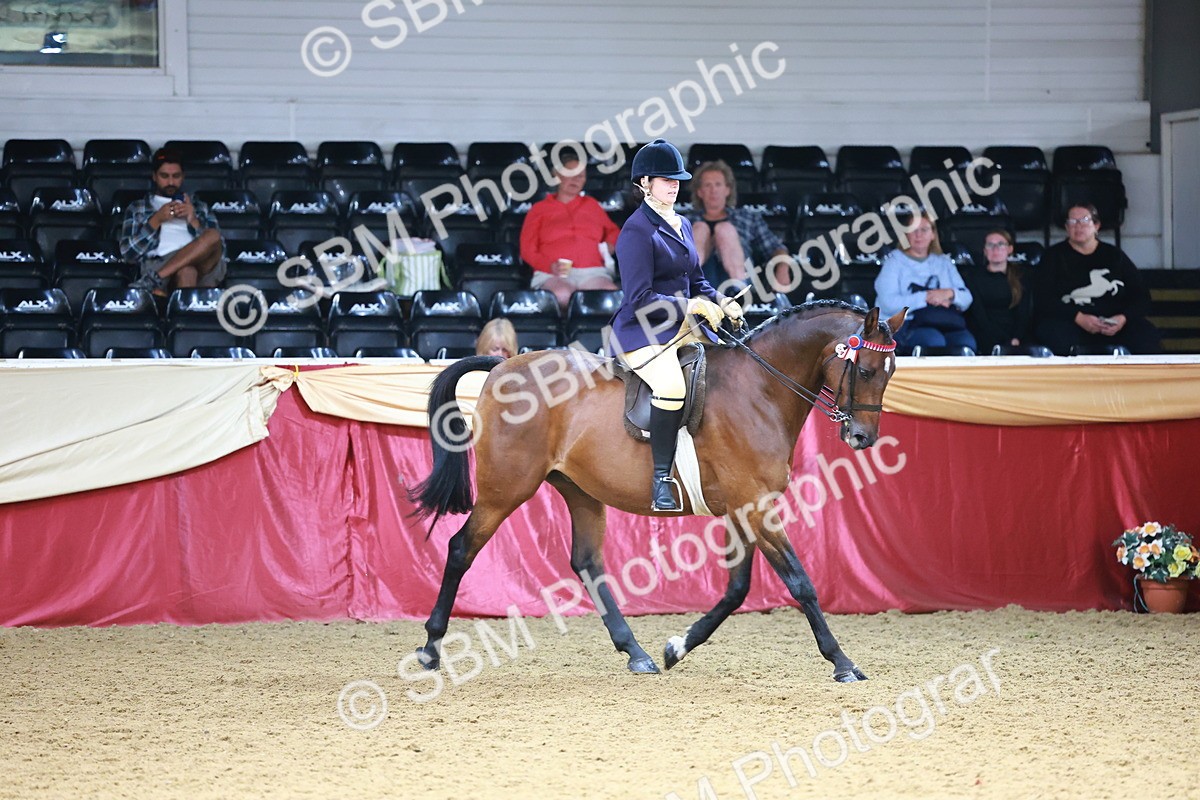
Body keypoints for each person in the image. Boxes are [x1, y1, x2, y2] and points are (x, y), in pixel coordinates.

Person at [607, 139, 743, 512]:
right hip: (643, 331)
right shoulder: (636, 231)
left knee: (732, 366)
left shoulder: (681, 223)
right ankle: (661, 479)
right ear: (644, 183)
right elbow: (639, 299)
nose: (674, 185)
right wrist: (691, 306)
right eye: (666, 180)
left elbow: (696, 281)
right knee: (670, 387)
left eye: (677, 180)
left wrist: (720, 300)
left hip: (682, 325)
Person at [1032, 204, 1161, 355]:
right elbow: (1043, 298)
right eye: (1072, 222)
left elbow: (1141, 296)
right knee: (1054, 335)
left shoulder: (1114, 255)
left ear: (1096, 226)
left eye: (1084, 220)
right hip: (1071, 321)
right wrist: (1078, 317)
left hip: (1113, 322)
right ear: (1066, 228)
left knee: (1145, 336)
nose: (1078, 226)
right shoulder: (1053, 256)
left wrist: (1122, 319)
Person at [519, 154, 620, 309]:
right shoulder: (538, 210)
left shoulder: (592, 205)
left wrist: (610, 244)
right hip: (553, 274)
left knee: (610, 295)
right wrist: (548, 266)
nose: (576, 179)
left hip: (592, 272)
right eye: (570, 174)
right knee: (562, 294)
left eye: (581, 176)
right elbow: (527, 249)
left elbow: (613, 231)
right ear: (557, 175)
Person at [120, 148, 225, 294]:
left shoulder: (200, 207)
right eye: (164, 176)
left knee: (212, 234)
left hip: (202, 267)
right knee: (187, 271)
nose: (170, 182)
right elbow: (128, 254)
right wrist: (156, 220)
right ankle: (171, 295)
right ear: (154, 176)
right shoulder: (138, 208)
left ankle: (153, 280)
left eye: (176, 176)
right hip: (159, 262)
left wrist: (193, 220)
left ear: (183, 177)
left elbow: (220, 249)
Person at [874, 212, 976, 353]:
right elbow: (888, 304)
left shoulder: (944, 262)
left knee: (966, 342)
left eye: (924, 229)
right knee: (934, 341)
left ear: (933, 234)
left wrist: (949, 293)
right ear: (906, 235)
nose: (919, 235)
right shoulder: (894, 262)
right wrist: (927, 297)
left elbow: (967, 298)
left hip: (943, 320)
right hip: (905, 325)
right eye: (913, 230)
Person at [687, 159, 793, 294]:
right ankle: (688, 289)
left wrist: (783, 268)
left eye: (718, 184)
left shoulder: (747, 218)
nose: (713, 190)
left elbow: (776, 247)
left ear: (727, 190)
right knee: (700, 228)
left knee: (724, 229)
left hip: (738, 281)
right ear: (700, 192)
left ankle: (740, 294)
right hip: (699, 283)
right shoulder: (686, 221)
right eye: (708, 185)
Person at [963, 229, 1033, 354]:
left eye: (1000, 244)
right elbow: (978, 314)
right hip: (984, 333)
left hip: (1017, 335)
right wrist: (1003, 341)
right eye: (990, 245)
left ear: (1010, 249)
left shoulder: (1022, 276)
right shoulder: (972, 277)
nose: (995, 249)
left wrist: (1016, 338)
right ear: (985, 251)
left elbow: (1024, 312)